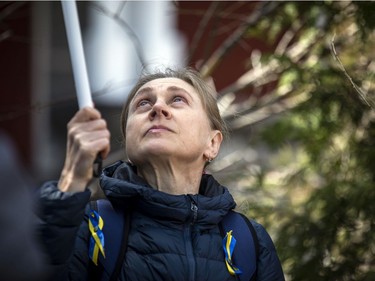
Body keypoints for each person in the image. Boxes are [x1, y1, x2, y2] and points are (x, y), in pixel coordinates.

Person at [37, 68, 285, 280]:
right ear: (129, 141)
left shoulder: (249, 242)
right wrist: (72, 179)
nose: (157, 107)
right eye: (143, 103)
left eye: (177, 99)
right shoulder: (90, 226)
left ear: (212, 143)